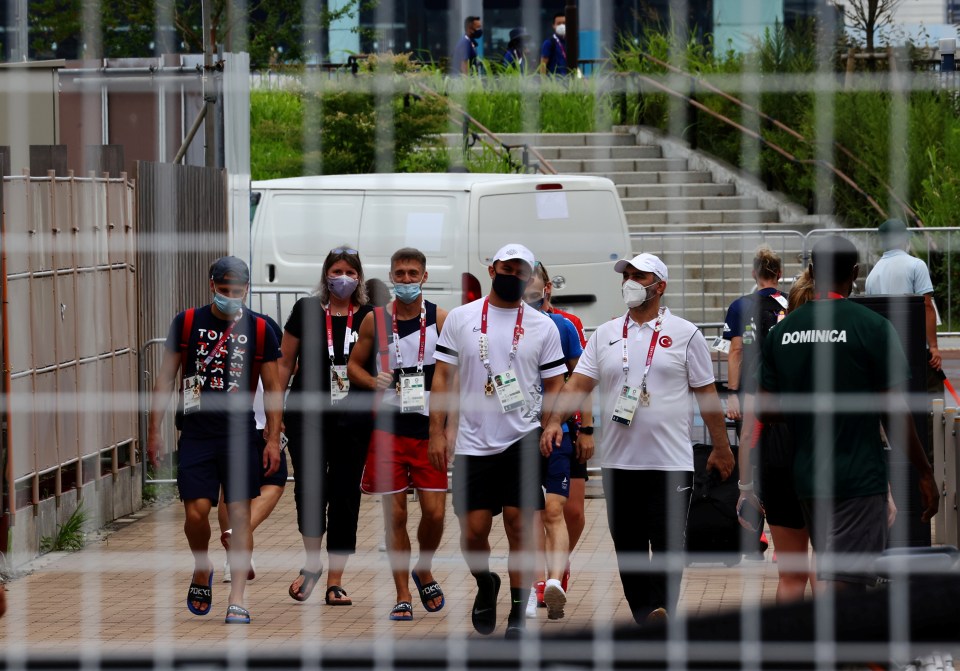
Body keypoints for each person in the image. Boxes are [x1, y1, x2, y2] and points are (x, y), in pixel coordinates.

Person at [541, 252, 735, 625]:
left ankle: (661, 614)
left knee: (666, 549)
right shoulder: (607, 335)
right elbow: (577, 385)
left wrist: (722, 448)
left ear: (659, 286)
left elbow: (707, 395)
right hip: (619, 464)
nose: (629, 281)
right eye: (626, 274)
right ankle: (647, 617)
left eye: (638, 275)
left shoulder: (685, 333)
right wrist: (553, 423)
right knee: (628, 549)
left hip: (670, 463)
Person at [758, 235, 939, 593]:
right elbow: (894, 412)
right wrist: (924, 471)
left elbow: (766, 409)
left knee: (833, 576)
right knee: (848, 590)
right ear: (855, 273)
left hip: (808, 479)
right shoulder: (872, 326)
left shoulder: (782, 332)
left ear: (811, 271)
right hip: (858, 480)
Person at [429, 243, 567, 639]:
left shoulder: (543, 326)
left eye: (522, 271)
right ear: (492, 269)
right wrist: (436, 432)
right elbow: (442, 378)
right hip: (473, 442)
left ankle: (519, 615)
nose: (515, 276)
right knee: (473, 532)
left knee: (520, 524)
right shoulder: (461, 318)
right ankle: (486, 583)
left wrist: (552, 422)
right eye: (508, 268)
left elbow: (557, 383)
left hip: (523, 437)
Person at [146, 256, 284, 625]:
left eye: (237, 291)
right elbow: (164, 379)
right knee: (195, 513)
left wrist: (272, 439)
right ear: (212, 286)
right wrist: (154, 431)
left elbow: (273, 389)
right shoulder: (188, 322)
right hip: (196, 433)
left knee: (239, 515)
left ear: (247, 289)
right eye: (224, 291)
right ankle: (201, 566)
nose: (231, 297)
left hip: (241, 435)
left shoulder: (259, 330)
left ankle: (237, 597)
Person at [347, 248, 449, 622]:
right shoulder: (375, 321)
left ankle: (423, 567)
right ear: (391, 276)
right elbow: (353, 366)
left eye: (412, 273)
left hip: (428, 430)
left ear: (424, 276)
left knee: (435, 514)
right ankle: (402, 593)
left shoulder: (441, 318)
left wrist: (447, 428)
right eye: (399, 273)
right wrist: (372, 380)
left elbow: (451, 376)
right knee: (396, 517)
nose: (405, 280)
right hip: (387, 430)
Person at [279, 246, 376, 606]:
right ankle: (311, 563)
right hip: (307, 415)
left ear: (360, 277)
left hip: (353, 417)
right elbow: (284, 363)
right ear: (325, 274)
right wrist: (273, 418)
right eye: (337, 271)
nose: (344, 279)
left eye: (351, 273)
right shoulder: (307, 310)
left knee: (345, 494)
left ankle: (336, 579)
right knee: (309, 489)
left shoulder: (368, 315)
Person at [735, 268, 816, 603]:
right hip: (825, 454)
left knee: (792, 573)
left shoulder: (775, 344)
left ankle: (791, 649)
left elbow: (752, 424)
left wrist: (744, 486)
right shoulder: (842, 342)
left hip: (778, 456)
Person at [521, 265, 593, 619]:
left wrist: (587, 427)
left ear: (546, 286)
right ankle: (541, 583)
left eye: (530, 280)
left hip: (562, 431)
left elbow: (582, 379)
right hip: (519, 435)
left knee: (564, 511)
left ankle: (556, 572)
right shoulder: (507, 325)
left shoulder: (564, 325)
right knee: (532, 515)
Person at [218, 308, 286, 584]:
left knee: (273, 479)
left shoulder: (264, 326)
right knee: (235, 487)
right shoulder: (206, 326)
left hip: (262, 419)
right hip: (235, 421)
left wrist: (277, 420)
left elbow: (279, 374)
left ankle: (237, 541)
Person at [721, 245, 787, 427]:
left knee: (750, 443)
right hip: (787, 389)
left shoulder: (740, 305)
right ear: (779, 274)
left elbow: (736, 351)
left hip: (750, 388)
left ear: (753, 274)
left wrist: (732, 394)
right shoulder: (793, 302)